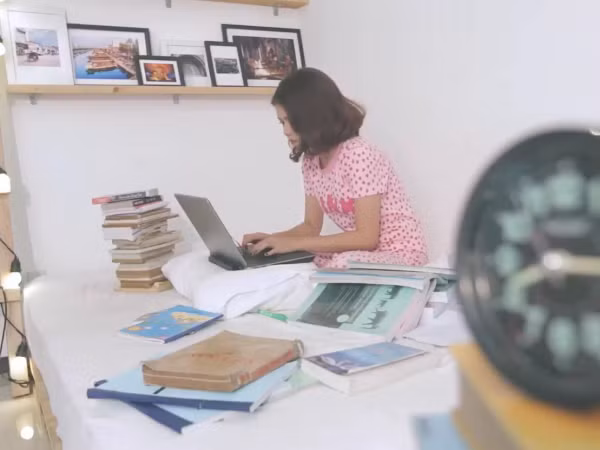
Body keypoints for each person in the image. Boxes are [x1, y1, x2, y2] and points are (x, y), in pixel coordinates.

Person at [243, 68, 428, 269]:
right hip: (364, 254)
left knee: (339, 262)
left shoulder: (358, 154)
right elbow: (311, 227)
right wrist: (273, 240)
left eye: (291, 121)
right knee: (303, 259)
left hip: (401, 254)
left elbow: (367, 238)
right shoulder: (311, 161)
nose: (286, 131)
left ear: (314, 116)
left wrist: (294, 243)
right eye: (282, 122)